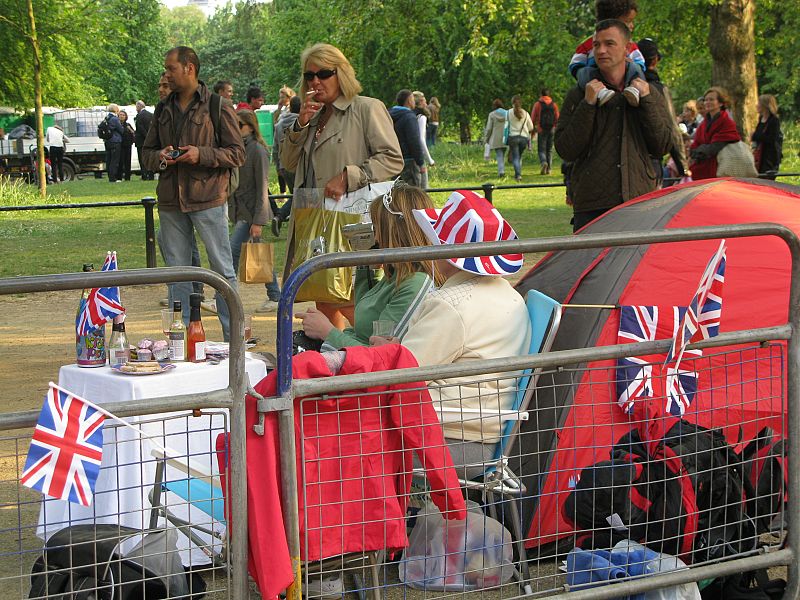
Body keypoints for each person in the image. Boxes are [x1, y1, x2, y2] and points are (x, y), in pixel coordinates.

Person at [373, 190, 532, 478]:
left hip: (449, 436)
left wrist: (383, 352)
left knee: (349, 440)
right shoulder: (509, 295)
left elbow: (403, 374)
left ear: (447, 252)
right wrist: (400, 348)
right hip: (481, 433)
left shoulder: (452, 304)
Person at [280, 42, 403, 331]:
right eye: (308, 76)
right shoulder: (311, 117)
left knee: (354, 297)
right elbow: (288, 162)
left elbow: (393, 159)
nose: (315, 82)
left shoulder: (366, 108)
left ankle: (368, 356)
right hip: (316, 221)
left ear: (341, 74)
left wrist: (350, 176)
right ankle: (339, 357)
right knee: (325, 292)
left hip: (354, 221)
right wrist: (300, 125)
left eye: (323, 73)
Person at [141, 46, 245, 341]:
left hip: (209, 199)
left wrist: (200, 154)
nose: (166, 75)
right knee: (177, 275)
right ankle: (185, 341)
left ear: (189, 68)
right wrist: (160, 155)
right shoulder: (162, 108)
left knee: (222, 271)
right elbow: (146, 153)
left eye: (171, 69)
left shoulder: (217, 105)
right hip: (171, 201)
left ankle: (233, 340)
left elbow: (237, 153)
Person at [555, 19, 673, 231]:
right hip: (592, 204)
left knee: (636, 265)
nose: (601, 51)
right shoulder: (579, 93)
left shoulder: (649, 91)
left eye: (609, 44)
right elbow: (566, 149)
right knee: (592, 265)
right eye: (596, 44)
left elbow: (662, 145)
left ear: (627, 49)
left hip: (639, 202)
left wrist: (646, 101)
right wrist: (588, 105)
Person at [297, 184, 439, 348]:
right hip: (347, 358)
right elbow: (363, 316)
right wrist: (365, 263)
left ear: (393, 232)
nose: (375, 236)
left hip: (362, 367)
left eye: (377, 227)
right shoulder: (396, 275)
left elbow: (379, 357)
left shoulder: (415, 284)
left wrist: (327, 331)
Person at [229, 109, 281, 313]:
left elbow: (262, 187)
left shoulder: (257, 150)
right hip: (242, 211)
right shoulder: (240, 147)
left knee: (232, 252)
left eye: (239, 125)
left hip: (252, 212)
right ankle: (275, 295)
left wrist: (258, 220)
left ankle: (223, 296)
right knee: (259, 254)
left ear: (249, 127)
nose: (236, 128)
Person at [568, 0, 646, 107]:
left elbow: (640, 63)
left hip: (626, 83)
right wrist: (582, 71)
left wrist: (630, 63)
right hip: (595, 79)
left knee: (636, 68)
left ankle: (635, 90)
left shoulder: (630, 46)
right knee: (583, 72)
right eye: (628, 21)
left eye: (610, 44)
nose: (632, 26)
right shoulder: (588, 44)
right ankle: (600, 92)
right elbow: (576, 63)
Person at [637, 38, 687, 187]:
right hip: (650, 164)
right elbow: (671, 129)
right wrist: (683, 167)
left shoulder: (624, 86)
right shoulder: (659, 89)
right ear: (655, 60)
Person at [689, 86, 740, 181]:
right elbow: (695, 145)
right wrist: (698, 151)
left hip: (721, 169)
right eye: (706, 100)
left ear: (720, 103)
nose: (707, 102)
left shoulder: (727, 122)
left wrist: (701, 150)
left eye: (711, 100)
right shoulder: (703, 124)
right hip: (703, 170)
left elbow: (716, 146)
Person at [271, 94, 301, 235]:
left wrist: (278, 167)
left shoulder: (278, 124)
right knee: (300, 196)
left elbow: (276, 148)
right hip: (298, 166)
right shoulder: (303, 123)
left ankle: (289, 221)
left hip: (284, 166)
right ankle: (281, 216)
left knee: (296, 196)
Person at [390, 89, 426, 187]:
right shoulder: (409, 117)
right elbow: (414, 141)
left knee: (397, 193)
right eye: (413, 99)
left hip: (394, 159)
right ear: (409, 101)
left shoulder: (389, 115)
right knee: (413, 193)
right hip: (409, 161)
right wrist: (420, 162)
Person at [751, 94, 782, 179]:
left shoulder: (774, 120)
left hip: (769, 158)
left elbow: (772, 139)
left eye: (759, 103)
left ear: (765, 105)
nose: (757, 105)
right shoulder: (760, 118)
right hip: (760, 156)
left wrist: (755, 135)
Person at [531, 88, 559, 174]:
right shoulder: (554, 105)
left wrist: (532, 130)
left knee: (541, 150)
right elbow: (557, 117)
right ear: (548, 94)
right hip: (551, 129)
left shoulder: (537, 104)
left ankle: (543, 162)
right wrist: (555, 127)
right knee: (549, 150)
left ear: (541, 94)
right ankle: (549, 169)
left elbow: (532, 117)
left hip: (541, 129)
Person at [507, 95, 534, 182]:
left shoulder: (508, 113)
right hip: (523, 138)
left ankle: (518, 174)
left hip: (513, 137)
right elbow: (531, 127)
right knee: (518, 156)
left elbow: (505, 125)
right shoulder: (525, 113)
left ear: (512, 103)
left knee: (515, 157)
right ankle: (518, 172)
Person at [413, 91, 435, 189]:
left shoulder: (410, 115)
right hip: (419, 156)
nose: (426, 104)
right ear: (420, 102)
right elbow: (421, 139)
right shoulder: (421, 117)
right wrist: (429, 159)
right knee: (424, 187)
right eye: (424, 101)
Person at [484, 99, 508, 177]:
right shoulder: (507, 113)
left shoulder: (492, 115)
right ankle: (502, 170)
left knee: (499, 155)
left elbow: (489, 128)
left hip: (496, 138)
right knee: (503, 154)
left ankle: (501, 171)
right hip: (505, 137)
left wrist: (486, 138)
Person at [103, 104, 124, 183]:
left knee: (109, 160)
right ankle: (113, 178)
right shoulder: (115, 119)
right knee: (114, 160)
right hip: (115, 141)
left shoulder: (107, 118)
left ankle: (110, 176)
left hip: (107, 141)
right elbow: (121, 129)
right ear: (115, 110)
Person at [134, 101, 154, 180]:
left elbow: (140, 128)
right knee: (149, 158)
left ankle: (144, 175)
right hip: (150, 140)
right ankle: (151, 175)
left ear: (139, 106)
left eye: (136, 106)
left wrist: (146, 136)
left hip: (141, 141)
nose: (136, 108)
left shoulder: (139, 116)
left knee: (142, 158)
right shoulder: (151, 115)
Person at [118, 110, 135, 181]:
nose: (121, 116)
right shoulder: (117, 125)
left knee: (127, 161)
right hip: (120, 145)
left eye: (123, 115)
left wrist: (131, 131)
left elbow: (133, 133)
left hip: (128, 145)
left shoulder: (128, 125)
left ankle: (127, 177)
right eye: (120, 115)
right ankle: (119, 177)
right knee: (120, 162)